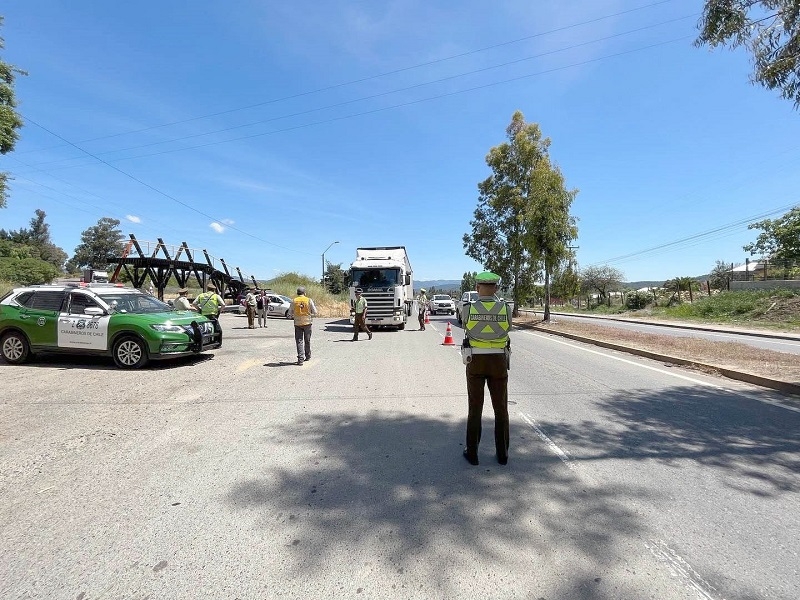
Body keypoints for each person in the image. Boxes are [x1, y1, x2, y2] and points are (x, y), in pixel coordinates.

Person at [461, 271, 512, 466]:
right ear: (496, 288)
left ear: (477, 288)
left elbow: (465, 326)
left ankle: (472, 453)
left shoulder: (468, 308)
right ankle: (503, 454)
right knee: (501, 409)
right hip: (498, 360)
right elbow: (508, 329)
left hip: (476, 360)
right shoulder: (505, 308)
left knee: (475, 408)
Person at [289, 286, 317, 365]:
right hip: (307, 323)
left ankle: (300, 359)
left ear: (297, 293)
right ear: (305, 293)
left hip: (297, 323)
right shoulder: (308, 300)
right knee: (307, 340)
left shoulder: (294, 300)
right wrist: (310, 315)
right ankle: (307, 356)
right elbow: (315, 312)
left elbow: (290, 312)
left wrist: (293, 316)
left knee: (299, 341)